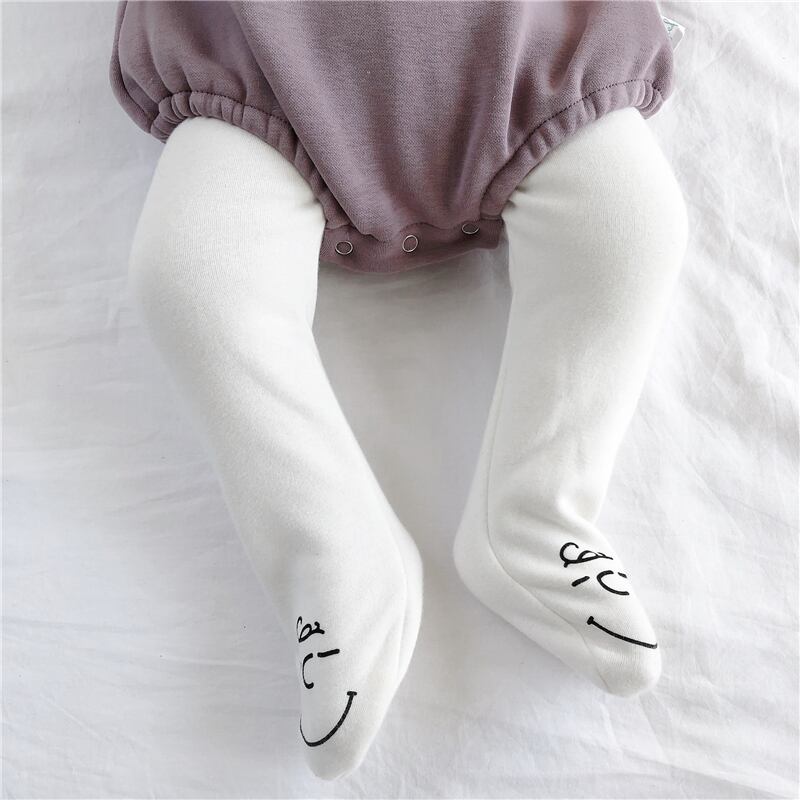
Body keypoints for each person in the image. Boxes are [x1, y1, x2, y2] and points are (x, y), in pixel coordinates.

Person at [111, 0, 689, 779]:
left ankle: (535, 508)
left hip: (532, 59)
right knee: (189, 276)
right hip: (262, 70)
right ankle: (337, 554)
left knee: (632, 226)